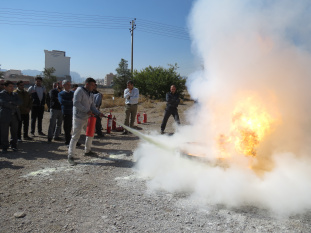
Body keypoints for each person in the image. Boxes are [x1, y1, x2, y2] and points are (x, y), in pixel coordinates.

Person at [67, 77, 104, 166]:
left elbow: (92, 106)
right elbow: (76, 103)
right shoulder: (79, 91)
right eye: (92, 85)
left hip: (87, 117)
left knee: (90, 134)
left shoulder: (91, 94)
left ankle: (87, 151)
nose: (93, 87)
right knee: (75, 136)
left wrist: (98, 113)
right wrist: (86, 110)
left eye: (94, 85)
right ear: (87, 84)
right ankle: (70, 156)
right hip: (78, 118)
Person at [0, 81, 22, 153]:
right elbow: (3, 103)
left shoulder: (15, 94)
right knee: (4, 132)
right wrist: (14, 105)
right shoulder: (1, 94)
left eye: (13, 86)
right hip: (5, 116)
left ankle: (14, 146)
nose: (12, 88)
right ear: (5, 87)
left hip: (14, 116)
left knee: (14, 132)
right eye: (10, 86)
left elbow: (20, 102)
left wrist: (11, 102)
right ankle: (4, 147)